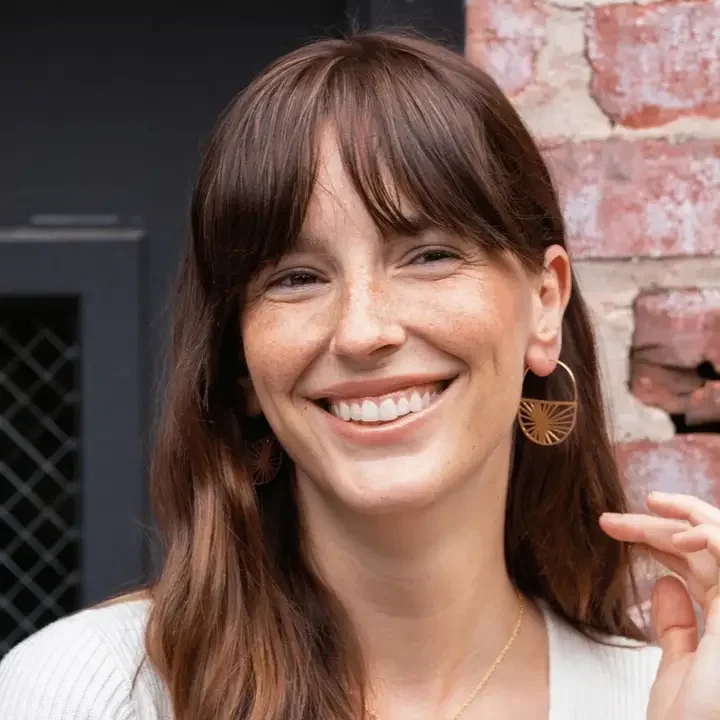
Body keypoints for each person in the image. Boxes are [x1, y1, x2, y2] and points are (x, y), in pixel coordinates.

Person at [0, 30, 718, 720]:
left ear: (545, 301)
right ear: (239, 360)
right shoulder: (89, 694)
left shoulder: (661, 700)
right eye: (297, 277)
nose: (363, 331)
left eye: (429, 256)